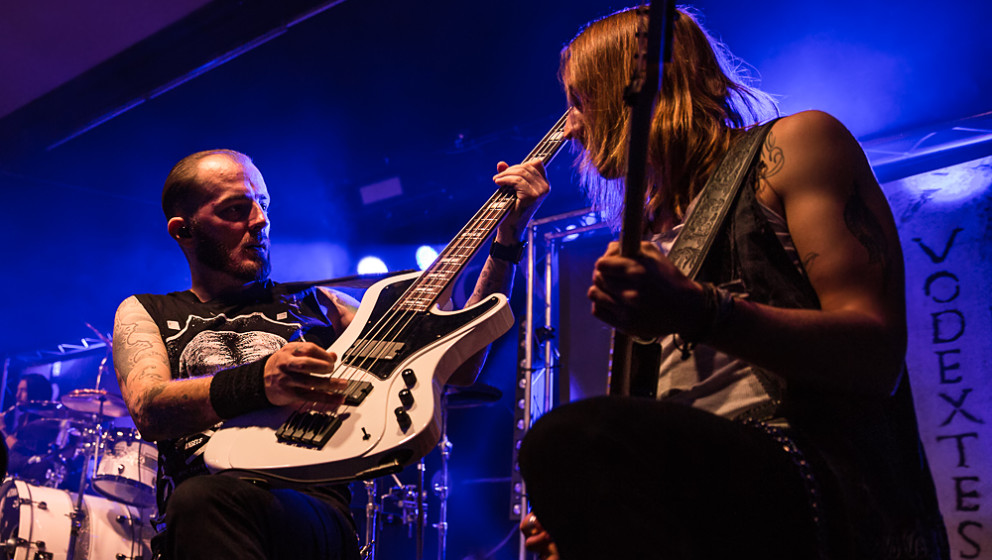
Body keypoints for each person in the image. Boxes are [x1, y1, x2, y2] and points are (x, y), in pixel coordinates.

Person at [517, 6, 949, 560]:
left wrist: (699, 311)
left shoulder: (798, 144)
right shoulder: (647, 231)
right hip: (699, 494)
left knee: (561, 439)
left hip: (810, 477)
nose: (572, 125)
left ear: (629, 87)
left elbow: (877, 354)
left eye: (580, 100)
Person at [112, 148, 548, 559]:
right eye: (235, 209)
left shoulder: (324, 305)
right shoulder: (149, 311)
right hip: (196, 521)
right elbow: (149, 409)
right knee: (201, 499)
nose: (261, 221)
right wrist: (259, 383)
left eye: (263, 205)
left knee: (203, 499)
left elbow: (462, 365)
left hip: (312, 512)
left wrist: (507, 241)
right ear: (183, 229)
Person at [2, 373, 57, 480]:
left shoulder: (43, 423)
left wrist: (3, 429)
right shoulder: (23, 419)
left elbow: (21, 451)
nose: (17, 395)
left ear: (36, 393)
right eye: (18, 390)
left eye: (23, 390)